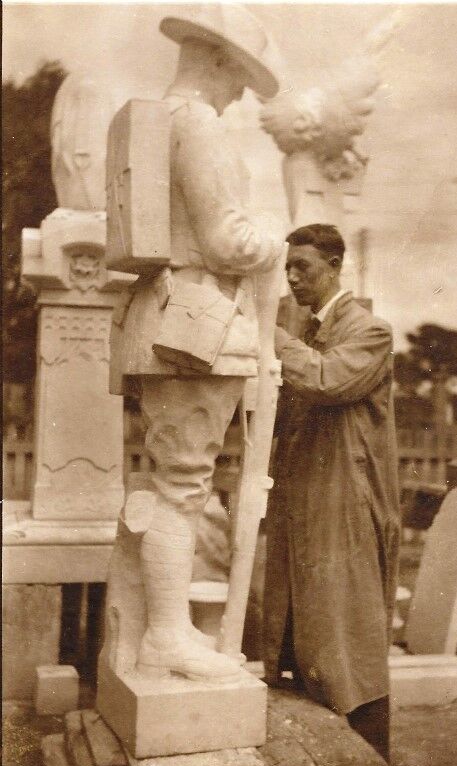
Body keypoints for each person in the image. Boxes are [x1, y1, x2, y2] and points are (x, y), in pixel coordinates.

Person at [109, 5, 283, 683]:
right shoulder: (199, 124)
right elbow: (226, 241)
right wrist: (274, 232)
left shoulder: (160, 121)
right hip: (196, 324)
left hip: (167, 317)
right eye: (238, 75)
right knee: (183, 486)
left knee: (167, 482)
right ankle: (166, 637)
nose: (240, 91)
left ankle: (154, 632)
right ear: (216, 60)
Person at [263, 223, 400, 762]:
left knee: (349, 625)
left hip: (346, 498)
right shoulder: (311, 331)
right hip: (306, 496)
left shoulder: (371, 331)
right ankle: (327, 761)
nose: (294, 278)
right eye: (289, 268)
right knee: (308, 622)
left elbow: (325, 380)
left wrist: (268, 334)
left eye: (306, 268)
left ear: (336, 266)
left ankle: (371, 762)